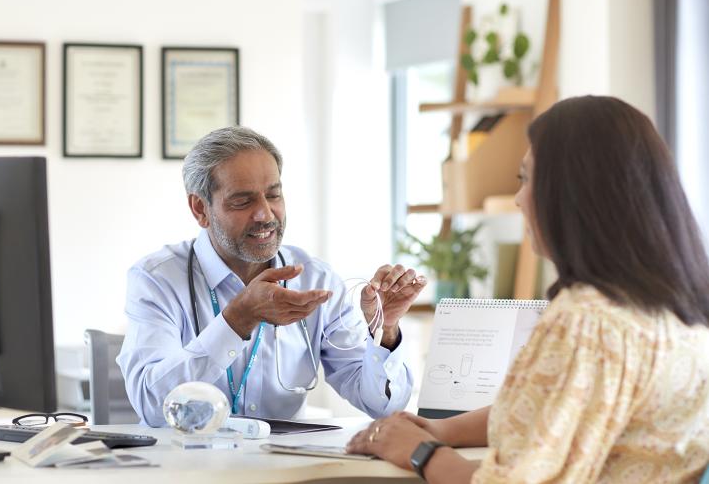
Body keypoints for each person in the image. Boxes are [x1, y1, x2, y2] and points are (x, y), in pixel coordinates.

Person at [347, 96, 709, 483]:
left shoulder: (587, 321)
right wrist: (441, 430)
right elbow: (555, 408)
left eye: (527, 179)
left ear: (573, 192)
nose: (519, 199)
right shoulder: (676, 312)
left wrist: (419, 452)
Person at [117, 126, 427, 427]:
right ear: (200, 208)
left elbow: (382, 406)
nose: (265, 214)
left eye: (273, 195)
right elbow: (152, 406)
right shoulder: (157, 280)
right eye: (242, 200)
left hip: (287, 472)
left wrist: (385, 331)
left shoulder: (315, 279)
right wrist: (237, 320)